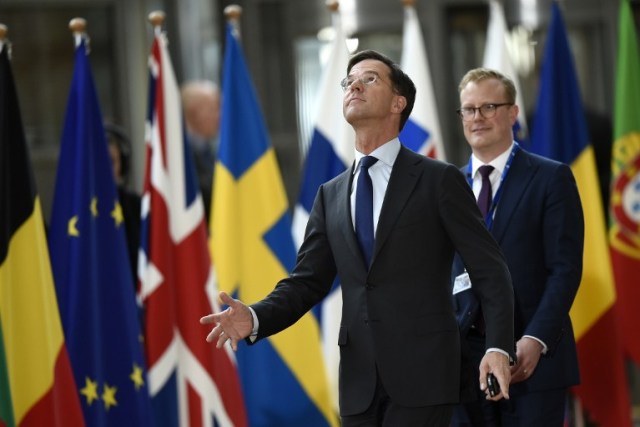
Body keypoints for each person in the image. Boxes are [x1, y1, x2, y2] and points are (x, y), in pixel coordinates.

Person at [201, 50, 516, 426]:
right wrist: (254, 317)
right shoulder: (330, 194)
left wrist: (498, 346)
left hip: (425, 375)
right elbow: (306, 283)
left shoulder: (437, 180)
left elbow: (489, 270)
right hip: (358, 383)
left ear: (398, 102)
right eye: (349, 80)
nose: (354, 85)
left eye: (369, 79)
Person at [451, 68, 584, 427]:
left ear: (513, 113)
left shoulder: (551, 177)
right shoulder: (446, 187)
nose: (477, 118)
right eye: (469, 109)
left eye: (489, 107)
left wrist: (535, 339)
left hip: (531, 360)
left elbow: (565, 269)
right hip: (463, 366)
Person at [105, 122, 141, 285]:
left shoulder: (135, 206)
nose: (104, 170)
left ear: (122, 165)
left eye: (111, 162)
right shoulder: (73, 211)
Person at [180, 80, 220, 223]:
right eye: (213, 108)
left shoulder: (212, 152)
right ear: (194, 112)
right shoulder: (180, 156)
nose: (219, 115)